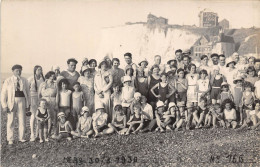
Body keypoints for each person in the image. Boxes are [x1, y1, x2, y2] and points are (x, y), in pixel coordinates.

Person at [1, 65, 31, 145]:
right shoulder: (8, 80)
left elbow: (28, 93)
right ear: (13, 71)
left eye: (20, 70)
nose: (19, 72)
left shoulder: (24, 80)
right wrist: (4, 105)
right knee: (11, 121)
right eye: (17, 70)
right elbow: (3, 94)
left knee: (22, 120)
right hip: (12, 101)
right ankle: (10, 139)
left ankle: (22, 138)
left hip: (22, 100)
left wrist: (28, 105)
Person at [28, 65, 45, 141]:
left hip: (40, 98)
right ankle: (32, 134)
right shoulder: (31, 78)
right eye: (38, 70)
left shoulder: (42, 79)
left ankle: (37, 134)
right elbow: (27, 89)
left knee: (40, 115)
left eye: (41, 69)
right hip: (32, 98)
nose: (40, 71)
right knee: (33, 115)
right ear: (35, 70)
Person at [38, 71, 58, 138]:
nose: (52, 77)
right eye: (51, 76)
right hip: (44, 102)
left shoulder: (55, 84)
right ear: (48, 76)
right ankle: (41, 134)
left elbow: (57, 95)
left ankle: (53, 133)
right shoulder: (43, 84)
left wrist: (56, 104)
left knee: (53, 118)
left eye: (53, 76)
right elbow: (39, 94)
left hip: (53, 101)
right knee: (43, 117)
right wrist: (40, 103)